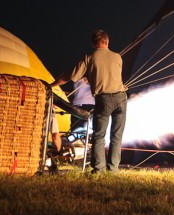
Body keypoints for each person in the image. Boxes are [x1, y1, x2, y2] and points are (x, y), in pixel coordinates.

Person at [51, 30, 128, 175]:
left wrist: (52, 85)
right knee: (116, 136)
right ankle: (113, 170)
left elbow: (69, 76)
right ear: (107, 41)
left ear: (93, 43)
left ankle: (99, 169)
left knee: (99, 135)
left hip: (104, 99)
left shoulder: (89, 58)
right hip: (121, 98)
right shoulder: (118, 57)